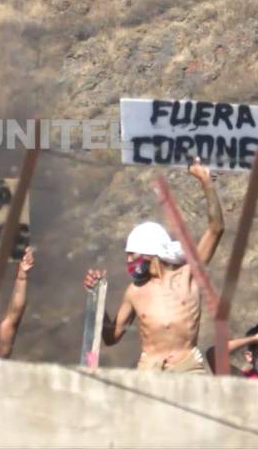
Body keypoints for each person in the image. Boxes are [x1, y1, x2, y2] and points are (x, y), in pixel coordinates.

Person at [83, 157, 224, 374]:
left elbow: (216, 228)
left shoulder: (188, 276)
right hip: (150, 369)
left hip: (188, 368)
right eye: (127, 256)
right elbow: (111, 337)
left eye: (133, 255)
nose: (129, 261)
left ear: (152, 253)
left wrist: (206, 182)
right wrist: (97, 300)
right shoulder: (135, 292)